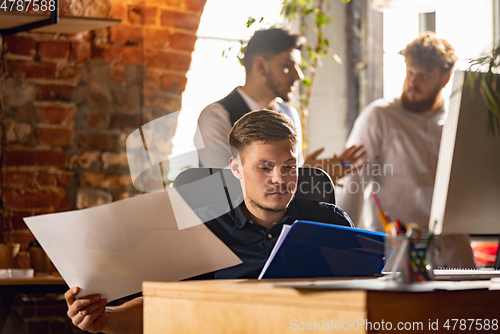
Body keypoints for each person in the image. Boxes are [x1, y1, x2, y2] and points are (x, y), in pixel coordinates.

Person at [66, 109, 354, 333]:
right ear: (236, 169)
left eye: (288, 167)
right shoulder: (203, 231)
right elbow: (165, 307)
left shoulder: (329, 222)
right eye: (265, 167)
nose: (279, 178)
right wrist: (107, 319)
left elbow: (366, 297)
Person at [194, 27, 364, 181]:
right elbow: (223, 187)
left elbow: (291, 186)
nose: (299, 76)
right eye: (287, 66)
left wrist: (312, 176)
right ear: (261, 66)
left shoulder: (289, 115)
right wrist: (307, 178)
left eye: (297, 67)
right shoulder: (216, 117)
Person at [336, 32, 457, 232]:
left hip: (447, 246)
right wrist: (341, 241)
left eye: (423, 76)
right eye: (410, 72)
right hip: (393, 247)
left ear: (446, 78)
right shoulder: (379, 117)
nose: (413, 82)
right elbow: (352, 182)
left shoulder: (454, 121)